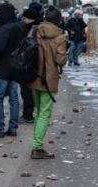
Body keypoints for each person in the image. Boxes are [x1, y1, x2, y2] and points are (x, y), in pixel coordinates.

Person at [29, 5, 67, 159]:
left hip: (33, 76)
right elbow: (60, 60)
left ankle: (37, 144)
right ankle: (37, 147)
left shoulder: (35, 31)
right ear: (58, 20)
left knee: (38, 112)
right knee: (45, 113)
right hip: (49, 79)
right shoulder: (60, 37)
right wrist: (65, 53)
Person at [0, 2, 24, 138]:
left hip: (2, 68)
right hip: (15, 67)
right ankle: (13, 128)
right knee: (14, 99)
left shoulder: (5, 29)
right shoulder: (20, 27)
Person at [18, 5, 42, 124]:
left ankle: (28, 116)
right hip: (39, 63)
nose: (23, 20)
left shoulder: (29, 29)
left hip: (28, 63)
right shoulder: (42, 26)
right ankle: (36, 113)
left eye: (25, 18)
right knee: (34, 89)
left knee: (26, 90)